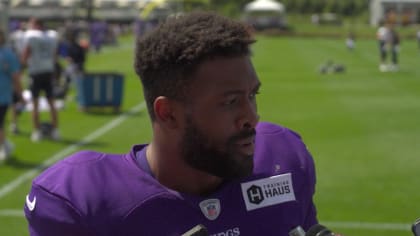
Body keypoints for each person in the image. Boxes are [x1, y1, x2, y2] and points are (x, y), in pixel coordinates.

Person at [24, 12, 323, 235]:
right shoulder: (81, 200)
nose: (251, 117)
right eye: (230, 102)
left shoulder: (283, 158)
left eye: (252, 95)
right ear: (167, 113)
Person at [21, 18, 60, 142]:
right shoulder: (51, 37)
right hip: (48, 72)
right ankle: (55, 130)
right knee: (51, 102)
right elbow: (54, 55)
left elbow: (26, 55)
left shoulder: (32, 37)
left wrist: (22, 66)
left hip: (36, 73)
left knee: (36, 104)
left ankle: (37, 131)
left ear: (36, 25)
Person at [0, 29, 23, 161]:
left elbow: (15, 77)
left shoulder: (7, 55)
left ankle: (4, 147)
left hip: (3, 96)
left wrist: (20, 95)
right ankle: (5, 145)